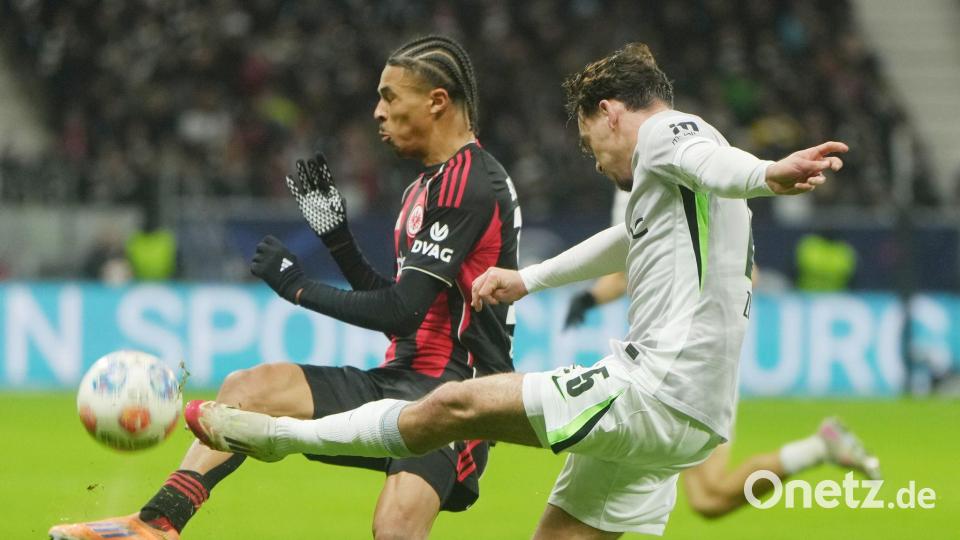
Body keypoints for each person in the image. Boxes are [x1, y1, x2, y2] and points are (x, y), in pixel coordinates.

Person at [184, 43, 850, 538]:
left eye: (593, 146)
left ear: (611, 114)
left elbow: (714, 161)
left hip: (654, 391)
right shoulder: (668, 191)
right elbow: (628, 242)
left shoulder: (671, 136)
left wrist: (770, 171)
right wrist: (528, 279)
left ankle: (272, 436)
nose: (598, 162)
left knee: (453, 407)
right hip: (693, 418)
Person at [50, 35, 521, 540]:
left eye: (389, 96)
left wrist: (297, 286)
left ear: (436, 101)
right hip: (399, 379)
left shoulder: (470, 183)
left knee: (395, 530)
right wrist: (337, 237)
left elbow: (401, 311)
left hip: (455, 397)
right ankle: (158, 523)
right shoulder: (423, 187)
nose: (377, 112)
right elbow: (409, 304)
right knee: (247, 391)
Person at [564, 202, 880, 520]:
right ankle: (818, 447)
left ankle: (820, 447)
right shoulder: (677, 192)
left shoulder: (671, 192)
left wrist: (590, 298)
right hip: (680, 364)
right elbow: (629, 272)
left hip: (689, 367)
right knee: (706, 499)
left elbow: (744, 276)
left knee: (705, 494)